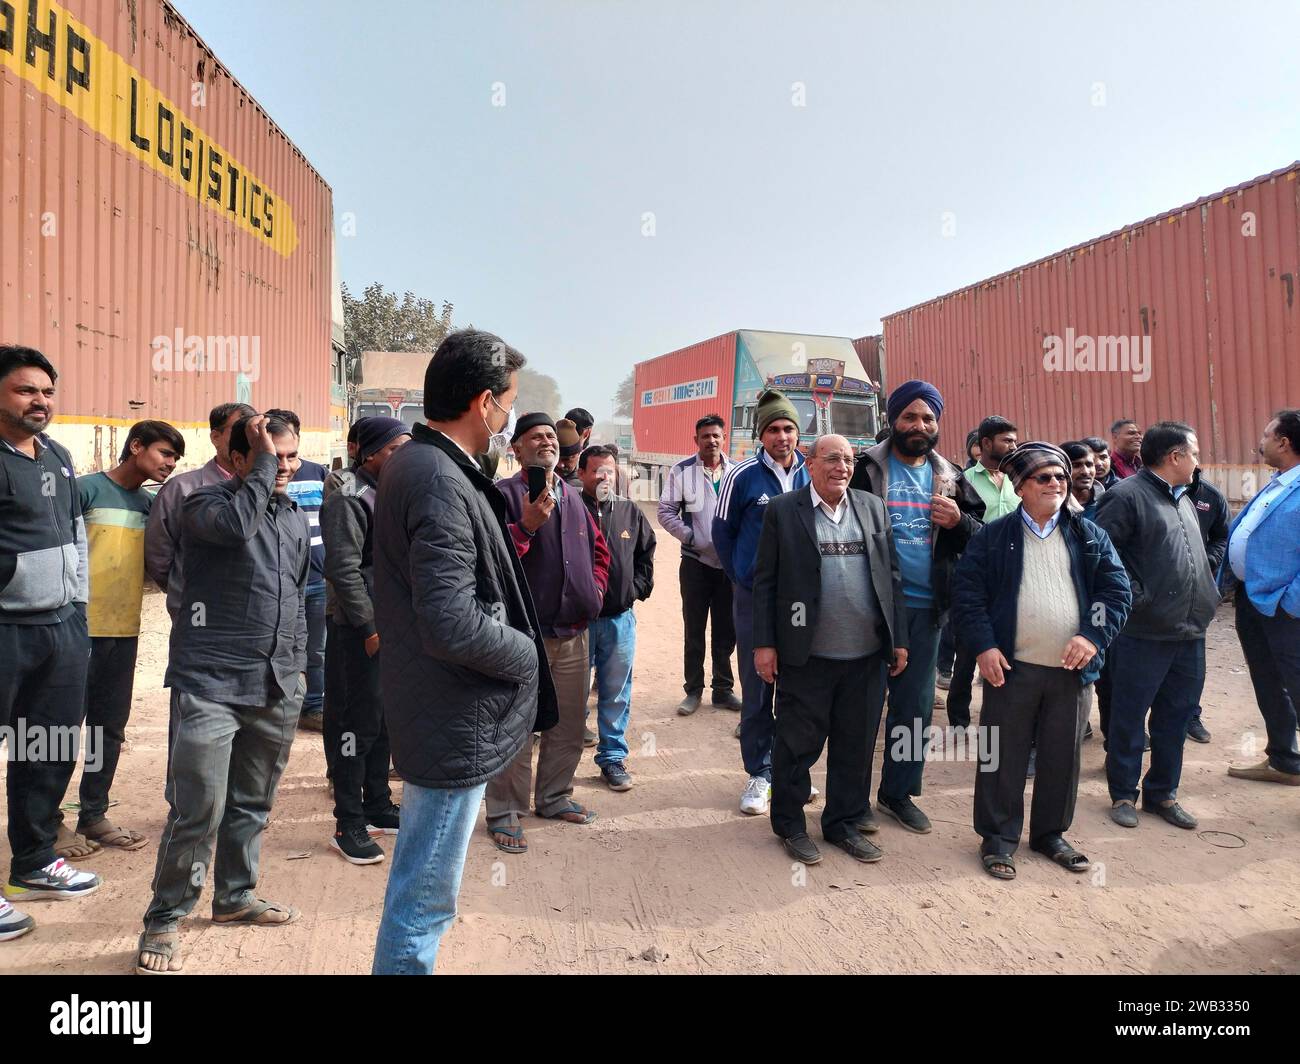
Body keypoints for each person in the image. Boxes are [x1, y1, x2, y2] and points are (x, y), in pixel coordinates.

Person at [371, 330, 556, 975]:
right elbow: (450, 621)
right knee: (425, 898)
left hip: (443, 707)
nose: (508, 417)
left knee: (423, 889)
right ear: (484, 403)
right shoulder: (435, 478)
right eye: (507, 403)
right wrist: (528, 653)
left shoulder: (435, 466)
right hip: (449, 715)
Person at [136, 414, 309, 975]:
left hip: (275, 684)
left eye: (288, 457)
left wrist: (297, 670)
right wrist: (258, 461)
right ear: (236, 460)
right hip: (210, 683)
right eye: (267, 455)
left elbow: (296, 599)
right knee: (197, 809)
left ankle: (235, 897)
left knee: (252, 804)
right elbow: (236, 528)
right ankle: (165, 918)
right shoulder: (203, 504)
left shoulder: (291, 516)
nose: (280, 468)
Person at [952, 443, 1131, 881]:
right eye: (1043, 478)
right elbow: (968, 595)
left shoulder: (1088, 535)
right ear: (1020, 487)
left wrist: (1092, 635)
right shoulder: (995, 536)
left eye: (1060, 477)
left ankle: (1051, 834)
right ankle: (997, 839)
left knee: (1061, 757)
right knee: (1002, 755)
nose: (1055, 484)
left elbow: (1117, 592)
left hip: (1071, 672)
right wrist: (984, 646)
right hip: (1011, 668)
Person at [753, 435, 908, 865]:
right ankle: (789, 823)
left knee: (855, 746)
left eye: (849, 459)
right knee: (797, 745)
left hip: (865, 656)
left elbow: (891, 578)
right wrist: (765, 644)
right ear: (810, 462)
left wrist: (899, 640)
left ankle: (841, 822)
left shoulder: (872, 507)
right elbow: (765, 581)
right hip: (807, 656)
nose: (842, 466)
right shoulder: (784, 512)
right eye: (833, 458)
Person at [849, 380, 984, 834]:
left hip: (927, 612)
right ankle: (852, 800)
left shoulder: (951, 476)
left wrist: (959, 520)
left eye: (928, 418)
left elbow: (983, 535)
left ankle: (898, 793)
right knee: (862, 706)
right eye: (910, 416)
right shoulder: (865, 468)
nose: (919, 425)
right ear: (894, 420)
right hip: (869, 607)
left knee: (916, 709)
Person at [0, 346, 99, 944]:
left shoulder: (59, 456)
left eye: (47, 391)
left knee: (49, 747)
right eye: (24, 390)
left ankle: (34, 863)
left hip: (61, 626)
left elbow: (75, 537)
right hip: (5, 627)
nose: (40, 401)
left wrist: (77, 605)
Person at [62, 420, 186, 859]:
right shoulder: (83, 490)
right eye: (164, 454)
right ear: (136, 447)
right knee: (62, 727)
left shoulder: (152, 505)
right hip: (75, 629)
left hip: (123, 629)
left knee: (108, 727)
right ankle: (50, 823)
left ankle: (93, 814)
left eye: (175, 458)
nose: (170, 464)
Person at [489, 413, 610, 852]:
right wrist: (525, 527)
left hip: (573, 632)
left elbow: (599, 550)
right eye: (535, 437)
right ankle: (505, 811)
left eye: (551, 438)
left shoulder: (573, 497)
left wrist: (593, 592)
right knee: (517, 725)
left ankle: (555, 797)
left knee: (570, 722)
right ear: (516, 449)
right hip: (523, 635)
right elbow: (491, 563)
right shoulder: (502, 495)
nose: (546, 442)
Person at [1094, 422, 1219, 832]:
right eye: (1194, 453)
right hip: (1143, 632)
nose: (1198, 461)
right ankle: (1123, 794)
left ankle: (1163, 793)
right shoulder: (1126, 496)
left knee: (1176, 715)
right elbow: (1099, 556)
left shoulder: (1185, 497)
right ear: (1175, 457)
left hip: (1189, 630)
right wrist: (1137, 596)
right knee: (1130, 715)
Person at [713, 389, 811, 815]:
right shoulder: (742, 477)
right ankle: (759, 773)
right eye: (773, 429)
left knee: (798, 688)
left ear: (798, 432)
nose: (782, 436)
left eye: (788, 428)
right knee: (757, 686)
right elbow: (722, 533)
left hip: (802, 602)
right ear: (761, 434)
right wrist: (741, 577)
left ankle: (789, 774)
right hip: (754, 598)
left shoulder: (812, 473)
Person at [320, 416, 410, 864]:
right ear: (369, 453)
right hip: (359, 632)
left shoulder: (391, 495)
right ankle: (348, 822)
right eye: (395, 449)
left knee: (384, 723)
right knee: (355, 726)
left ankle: (377, 804)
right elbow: (343, 570)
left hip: (395, 629)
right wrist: (370, 629)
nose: (402, 458)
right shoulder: (348, 498)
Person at [1224, 410, 1300, 787]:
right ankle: (1285, 760)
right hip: (1253, 599)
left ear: (1284, 442)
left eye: (1267, 435)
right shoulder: (1279, 482)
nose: (1262, 441)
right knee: (1268, 682)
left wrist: (1291, 602)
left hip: (1286, 610)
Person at [579, 445, 655, 791]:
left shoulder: (629, 512)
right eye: (596, 471)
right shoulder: (568, 509)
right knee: (572, 695)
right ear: (582, 474)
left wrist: (635, 589)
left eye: (608, 471)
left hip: (619, 621)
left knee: (616, 693)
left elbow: (645, 553)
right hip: (575, 624)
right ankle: (561, 765)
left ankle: (611, 758)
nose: (603, 477)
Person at [657, 413, 739, 716]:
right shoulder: (682, 472)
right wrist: (691, 537)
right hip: (694, 564)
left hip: (729, 567)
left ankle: (723, 690)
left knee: (726, 630)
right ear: (697, 440)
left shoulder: (737, 473)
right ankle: (693, 691)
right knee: (694, 629)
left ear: (724, 438)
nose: (711, 441)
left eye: (716, 435)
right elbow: (666, 511)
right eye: (705, 436)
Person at [144, 402, 257, 619]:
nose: (247, 439)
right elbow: (158, 555)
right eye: (239, 431)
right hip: (197, 610)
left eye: (252, 432)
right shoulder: (182, 489)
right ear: (215, 437)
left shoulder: (265, 491)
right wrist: (183, 586)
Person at [941, 416, 1019, 727]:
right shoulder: (963, 481)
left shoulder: (1021, 479)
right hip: (973, 575)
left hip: (1011, 576)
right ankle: (959, 718)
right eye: (1006, 441)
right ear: (985, 444)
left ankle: (1001, 717)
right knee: (966, 651)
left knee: (1006, 647)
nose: (1012, 446)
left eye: (1014, 440)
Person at [265, 408, 331, 733]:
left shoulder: (321, 474)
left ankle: (315, 706)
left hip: (317, 578)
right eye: (277, 453)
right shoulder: (265, 480)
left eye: (291, 452)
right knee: (280, 643)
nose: (285, 464)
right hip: (281, 582)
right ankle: (279, 707)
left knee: (316, 647)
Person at [1184, 467, 1230, 744]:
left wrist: (1205, 562)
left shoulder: (1209, 495)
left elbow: (1222, 536)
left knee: (1192, 660)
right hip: (1152, 598)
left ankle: (1191, 715)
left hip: (1196, 593)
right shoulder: (1140, 494)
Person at [1062, 441, 1104, 520]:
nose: (1085, 472)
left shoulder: (1107, 501)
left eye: (1089, 465)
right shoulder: (1053, 506)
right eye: (1076, 465)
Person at [556, 417, 584, 489]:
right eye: (556, 458)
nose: (560, 465)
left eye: (566, 459)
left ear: (578, 454)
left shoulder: (587, 485)